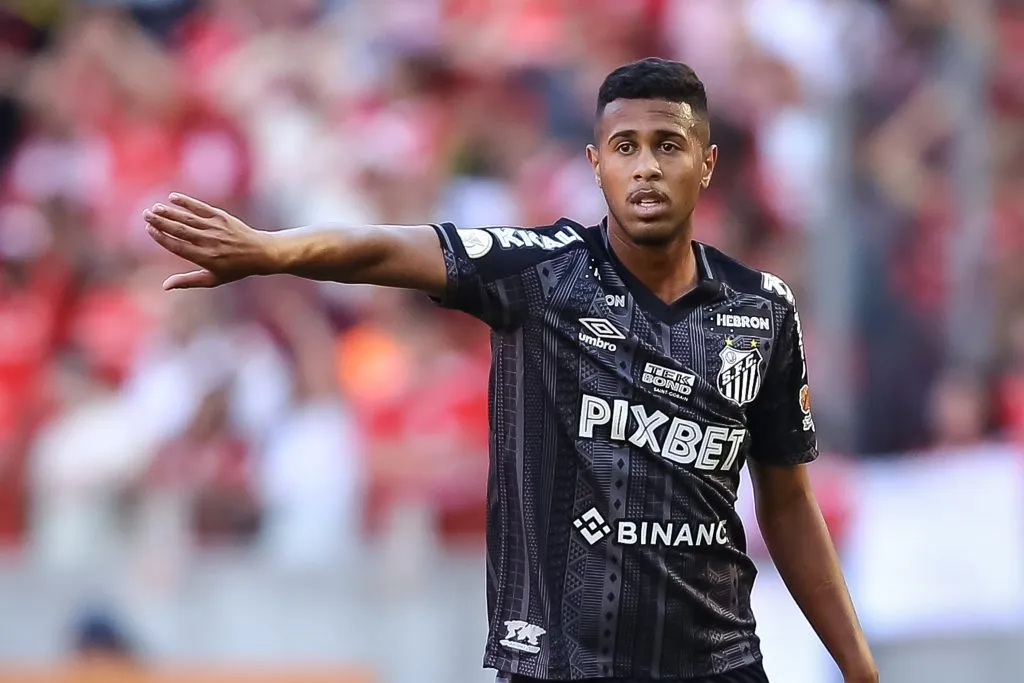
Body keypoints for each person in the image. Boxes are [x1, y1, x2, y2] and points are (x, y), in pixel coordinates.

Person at [143, 58, 878, 683]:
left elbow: (788, 502)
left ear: (706, 163)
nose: (647, 166)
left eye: (669, 145)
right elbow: (391, 248)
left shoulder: (762, 309)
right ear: (596, 164)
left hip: (716, 664)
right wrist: (273, 250)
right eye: (625, 146)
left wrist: (858, 667)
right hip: (559, 665)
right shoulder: (541, 272)